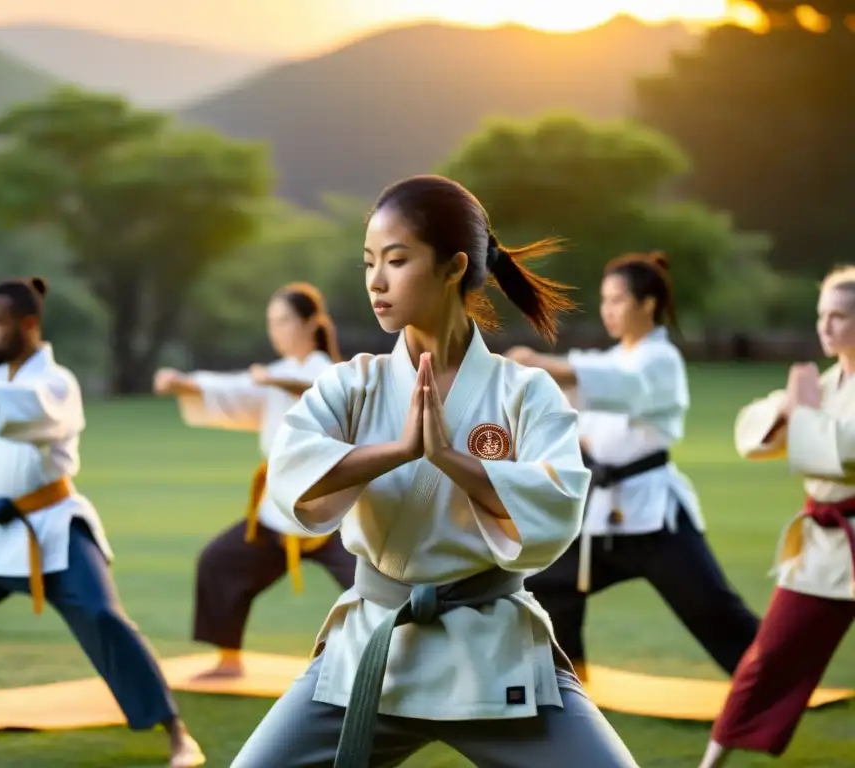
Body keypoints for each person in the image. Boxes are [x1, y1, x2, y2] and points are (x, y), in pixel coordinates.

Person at [230, 175, 638, 768]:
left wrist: (452, 459)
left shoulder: (524, 392)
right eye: (369, 262)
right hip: (375, 648)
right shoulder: (353, 384)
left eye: (397, 260)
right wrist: (397, 451)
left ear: (453, 268)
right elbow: (293, 471)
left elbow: (556, 505)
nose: (376, 280)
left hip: (494, 652)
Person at [0, 277, 204, 768]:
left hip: (52, 527)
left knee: (102, 616)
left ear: (28, 325)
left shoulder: (55, 382)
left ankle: (176, 732)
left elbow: (38, 412)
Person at [511, 252, 759, 682]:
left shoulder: (660, 361)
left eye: (618, 300)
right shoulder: (611, 359)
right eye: (604, 300)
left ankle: (775, 682)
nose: (608, 310)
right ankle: (568, 684)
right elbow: (581, 400)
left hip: (654, 517)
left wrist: (543, 363)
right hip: (598, 516)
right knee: (545, 584)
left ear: (647, 304)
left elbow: (615, 385)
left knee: (712, 608)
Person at [153, 283, 356, 680]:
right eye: (271, 322)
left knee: (378, 585)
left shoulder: (335, 373)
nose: (275, 330)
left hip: (334, 512)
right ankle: (228, 659)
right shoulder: (273, 375)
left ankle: (398, 665)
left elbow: (321, 390)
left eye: (283, 320)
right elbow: (232, 390)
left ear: (312, 323)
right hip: (279, 509)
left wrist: (274, 382)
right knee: (220, 562)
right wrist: (183, 383)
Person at [699, 266, 855, 767]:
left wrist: (803, 412)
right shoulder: (824, 384)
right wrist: (791, 408)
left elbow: (841, 452)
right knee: (768, 658)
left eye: (839, 316)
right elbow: (754, 435)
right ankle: (710, 763)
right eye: (821, 315)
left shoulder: (819, 392)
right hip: (825, 547)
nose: (826, 326)